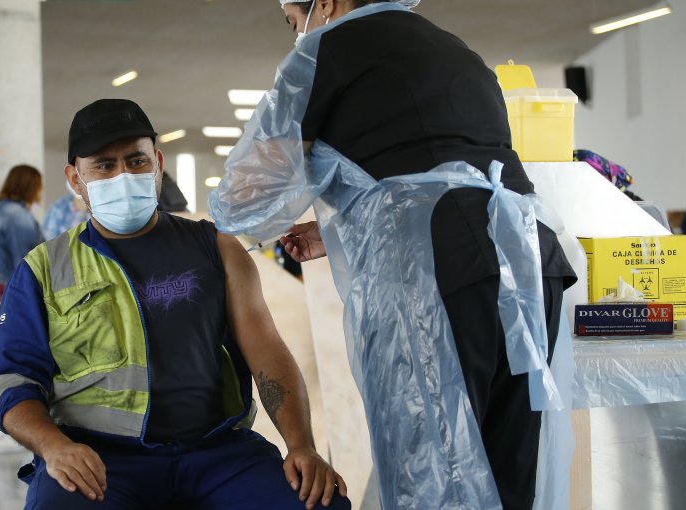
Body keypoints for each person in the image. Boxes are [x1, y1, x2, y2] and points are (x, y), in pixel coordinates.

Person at [208, 1, 576, 509]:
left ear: (327, 5)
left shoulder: (325, 50)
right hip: (529, 261)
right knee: (507, 470)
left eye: (296, 21)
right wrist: (340, 225)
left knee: (432, 471)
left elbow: (246, 196)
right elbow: (435, 166)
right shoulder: (455, 50)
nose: (298, 34)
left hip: (434, 272)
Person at [0, 99, 350, 510]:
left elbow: (266, 350)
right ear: (75, 178)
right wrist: (55, 447)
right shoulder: (44, 269)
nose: (123, 175)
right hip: (103, 460)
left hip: (218, 452)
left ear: (157, 162)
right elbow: (12, 382)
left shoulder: (216, 247)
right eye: (104, 166)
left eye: (136, 160)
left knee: (321, 503)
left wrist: (301, 445)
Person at [0, 164, 45, 453]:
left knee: (8, 363)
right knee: (13, 367)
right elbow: (30, 263)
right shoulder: (17, 217)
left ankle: (2, 434)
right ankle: (1, 435)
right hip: (5, 297)